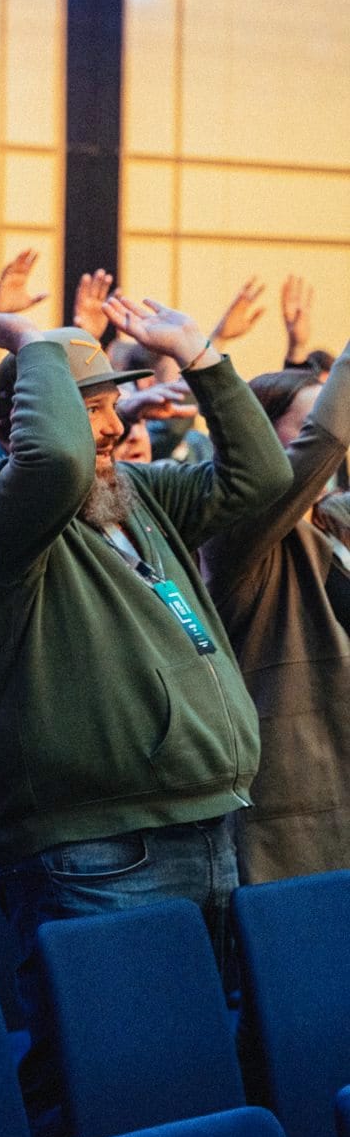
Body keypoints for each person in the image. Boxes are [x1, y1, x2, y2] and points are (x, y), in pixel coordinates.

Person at [0, 296, 292, 1137]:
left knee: (185, 1066)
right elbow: (54, 463)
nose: (115, 425)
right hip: (94, 846)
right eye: (90, 406)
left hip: (204, 822)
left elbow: (261, 478)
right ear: (29, 417)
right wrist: (35, 345)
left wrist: (202, 355)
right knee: (97, 1079)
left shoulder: (132, 495)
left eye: (110, 404)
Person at [202, 347, 350, 882]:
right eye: (305, 427)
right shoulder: (236, 534)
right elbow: (322, 446)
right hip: (298, 802)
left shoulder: (332, 525)